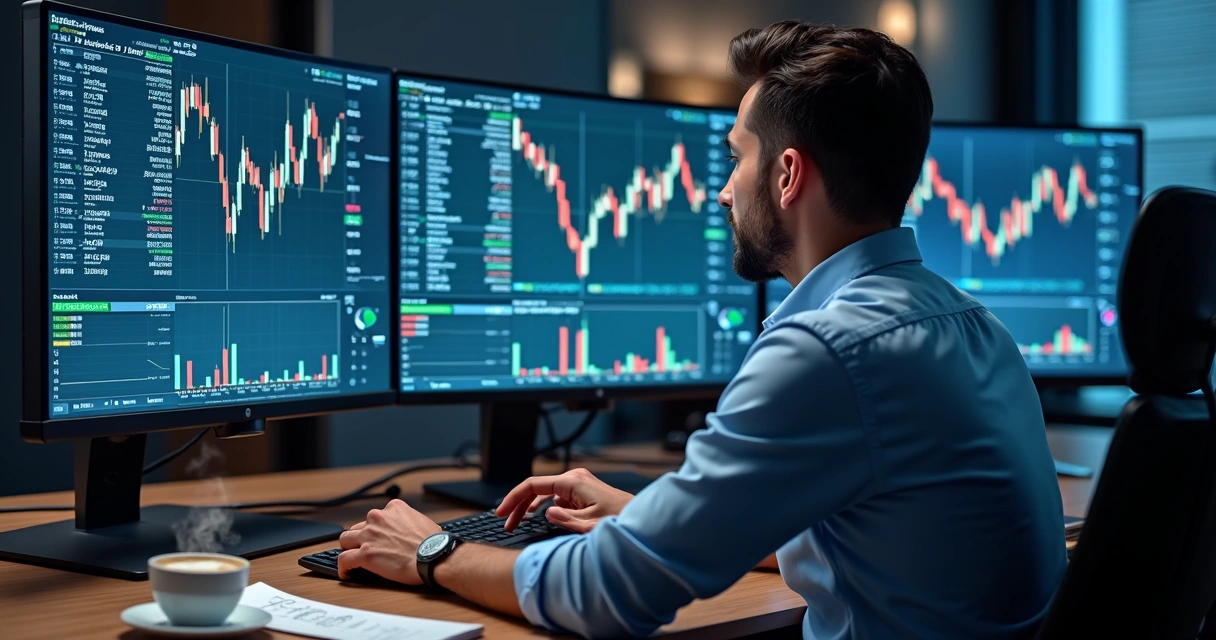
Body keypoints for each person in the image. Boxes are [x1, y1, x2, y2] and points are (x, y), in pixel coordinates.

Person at [337, 21, 1067, 639]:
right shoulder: (974, 327)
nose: (722, 189)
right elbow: (885, 539)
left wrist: (433, 549)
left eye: (735, 158)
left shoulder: (826, 350)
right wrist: (652, 516)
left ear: (786, 176)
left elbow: (608, 596)